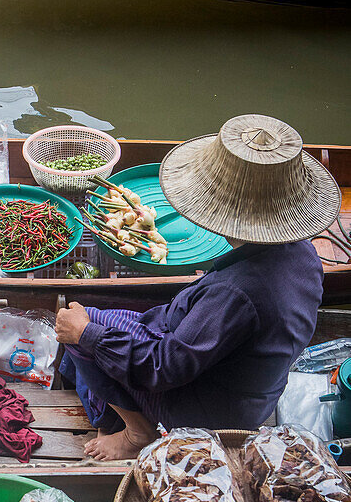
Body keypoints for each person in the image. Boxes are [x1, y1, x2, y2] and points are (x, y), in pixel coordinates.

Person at [56, 115, 341, 461]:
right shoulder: (304, 252)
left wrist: (87, 335)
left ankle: (136, 431)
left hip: (208, 413)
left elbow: (165, 368)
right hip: (247, 387)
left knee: (78, 330)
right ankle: (111, 406)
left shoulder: (235, 294)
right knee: (98, 319)